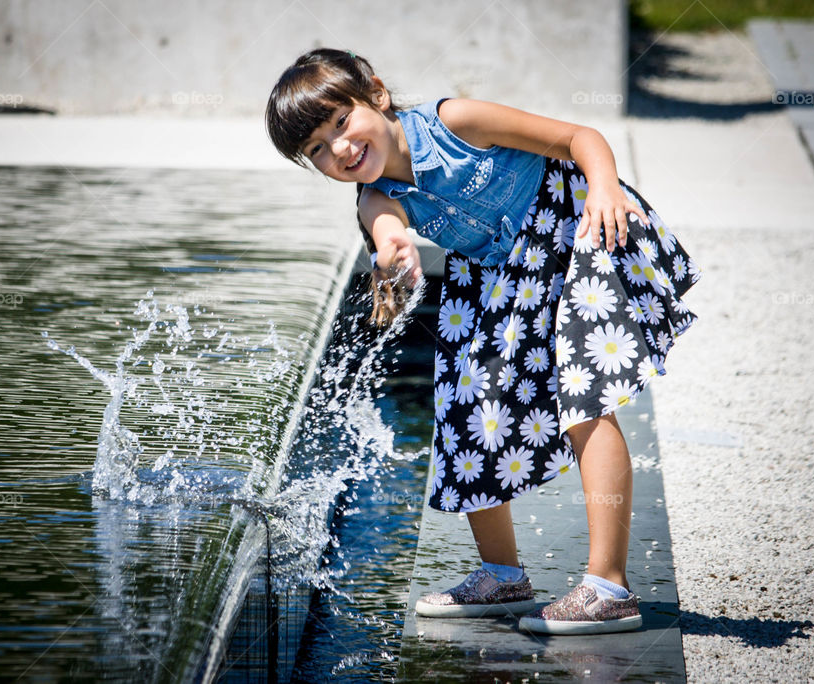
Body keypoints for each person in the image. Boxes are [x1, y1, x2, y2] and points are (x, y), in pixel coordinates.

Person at [265, 48, 700, 635]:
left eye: (340, 124)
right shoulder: (372, 194)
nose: (339, 150)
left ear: (376, 93)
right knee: (467, 412)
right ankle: (502, 576)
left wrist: (602, 188)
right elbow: (384, 223)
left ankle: (608, 586)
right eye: (316, 149)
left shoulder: (454, 122)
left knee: (584, 400)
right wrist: (392, 255)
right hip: (500, 273)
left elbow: (579, 136)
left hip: (574, 230)